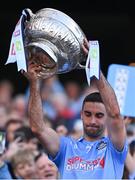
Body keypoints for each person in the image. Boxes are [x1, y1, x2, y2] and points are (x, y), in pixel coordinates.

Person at [22, 39, 128, 179]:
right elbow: (37, 128)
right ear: (81, 115)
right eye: (88, 114)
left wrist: (95, 69)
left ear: (107, 117)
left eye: (99, 115)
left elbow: (115, 113)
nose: (93, 120)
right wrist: (34, 82)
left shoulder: (114, 147)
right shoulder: (66, 146)